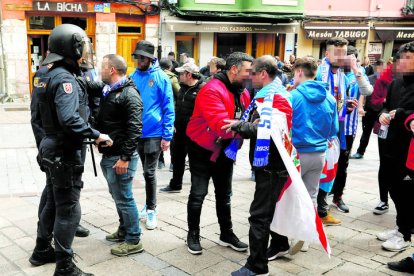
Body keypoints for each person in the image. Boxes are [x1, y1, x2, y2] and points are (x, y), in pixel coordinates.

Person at [29, 24, 112, 276]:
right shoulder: (64, 78)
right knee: (68, 207)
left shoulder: (45, 74)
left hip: (50, 147)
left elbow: (37, 115)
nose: (84, 51)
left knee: (52, 200)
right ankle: (64, 266)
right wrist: (97, 135)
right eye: (81, 46)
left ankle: (42, 249)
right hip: (64, 152)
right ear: (72, 46)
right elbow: (69, 118)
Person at [221, 55, 293, 276]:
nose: (249, 77)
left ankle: (257, 266)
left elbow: (268, 130)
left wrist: (239, 126)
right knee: (271, 209)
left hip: (272, 165)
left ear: (263, 74)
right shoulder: (273, 94)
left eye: (252, 73)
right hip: (275, 163)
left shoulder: (274, 98)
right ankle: (280, 244)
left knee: (259, 216)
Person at [185, 52, 253, 255]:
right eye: (247, 71)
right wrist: (251, 127)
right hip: (202, 148)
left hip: (226, 149)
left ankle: (227, 234)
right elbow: (220, 125)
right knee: (198, 194)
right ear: (234, 69)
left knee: (225, 194)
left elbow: (246, 115)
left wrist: (246, 126)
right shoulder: (211, 90)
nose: (250, 75)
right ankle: (193, 234)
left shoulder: (242, 92)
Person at [95, 54, 144, 256]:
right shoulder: (111, 90)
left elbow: (135, 129)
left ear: (112, 70)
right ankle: (124, 229)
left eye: (103, 67)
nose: (100, 70)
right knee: (118, 196)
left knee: (124, 197)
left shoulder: (129, 94)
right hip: (110, 154)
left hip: (120, 157)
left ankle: (133, 240)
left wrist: (125, 158)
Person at [290, 56, 339, 250]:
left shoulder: (293, 96)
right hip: (319, 153)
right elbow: (333, 130)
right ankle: (306, 239)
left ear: (299, 72)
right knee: (311, 196)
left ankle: (289, 236)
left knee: (291, 196)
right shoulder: (330, 98)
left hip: (297, 153)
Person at [130, 40, 175, 230]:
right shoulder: (132, 76)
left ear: (149, 58)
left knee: (149, 172)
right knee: (145, 172)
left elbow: (168, 107)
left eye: (141, 57)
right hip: (137, 132)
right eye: (136, 57)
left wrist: (167, 135)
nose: (138, 60)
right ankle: (149, 204)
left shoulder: (161, 78)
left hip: (154, 133)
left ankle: (151, 208)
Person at [376, 42, 414, 252]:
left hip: (409, 150)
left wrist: (398, 113)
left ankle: (405, 235)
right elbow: (386, 105)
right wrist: (383, 113)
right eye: (403, 58)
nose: (404, 62)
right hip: (390, 143)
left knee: (406, 192)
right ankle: (400, 227)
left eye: (409, 57)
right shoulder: (396, 84)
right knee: (393, 187)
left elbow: (406, 112)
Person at [330, 45, 373, 214]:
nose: (347, 61)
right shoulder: (332, 72)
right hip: (330, 126)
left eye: (351, 58)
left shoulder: (359, 73)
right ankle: (324, 192)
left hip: (348, 128)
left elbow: (367, 91)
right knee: (326, 161)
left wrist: (356, 69)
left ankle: (338, 196)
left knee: (342, 164)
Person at [160, 63, 205, 193]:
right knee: (177, 158)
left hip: (194, 133)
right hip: (179, 131)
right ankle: (175, 184)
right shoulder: (182, 88)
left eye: (181, 73)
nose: (179, 76)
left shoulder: (203, 89)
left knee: (195, 162)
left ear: (189, 75)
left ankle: (196, 188)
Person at [351, 59, 386, 160]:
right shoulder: (369, 79)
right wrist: (360, 106)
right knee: (365, 133)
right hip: (369, 110)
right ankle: (360, 152)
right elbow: (363, 93)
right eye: (378, 67)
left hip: (382, 111)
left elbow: (392, 95)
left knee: (382, 134)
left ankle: (383, 155)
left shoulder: (389, 81)